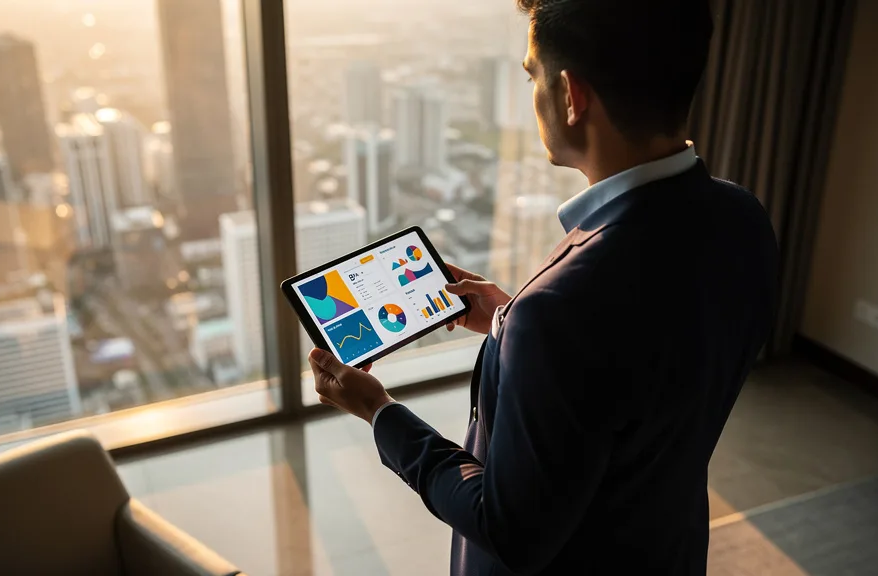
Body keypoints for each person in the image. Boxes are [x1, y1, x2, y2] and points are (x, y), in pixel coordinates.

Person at [308, 0, 779, 574]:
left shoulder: (562, 311)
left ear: (571, 96)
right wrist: (510, 322)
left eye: (533, 74)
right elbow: (646, 365)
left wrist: (380, 412)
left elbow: (509, 531)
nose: (532, 91)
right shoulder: (743, 219)